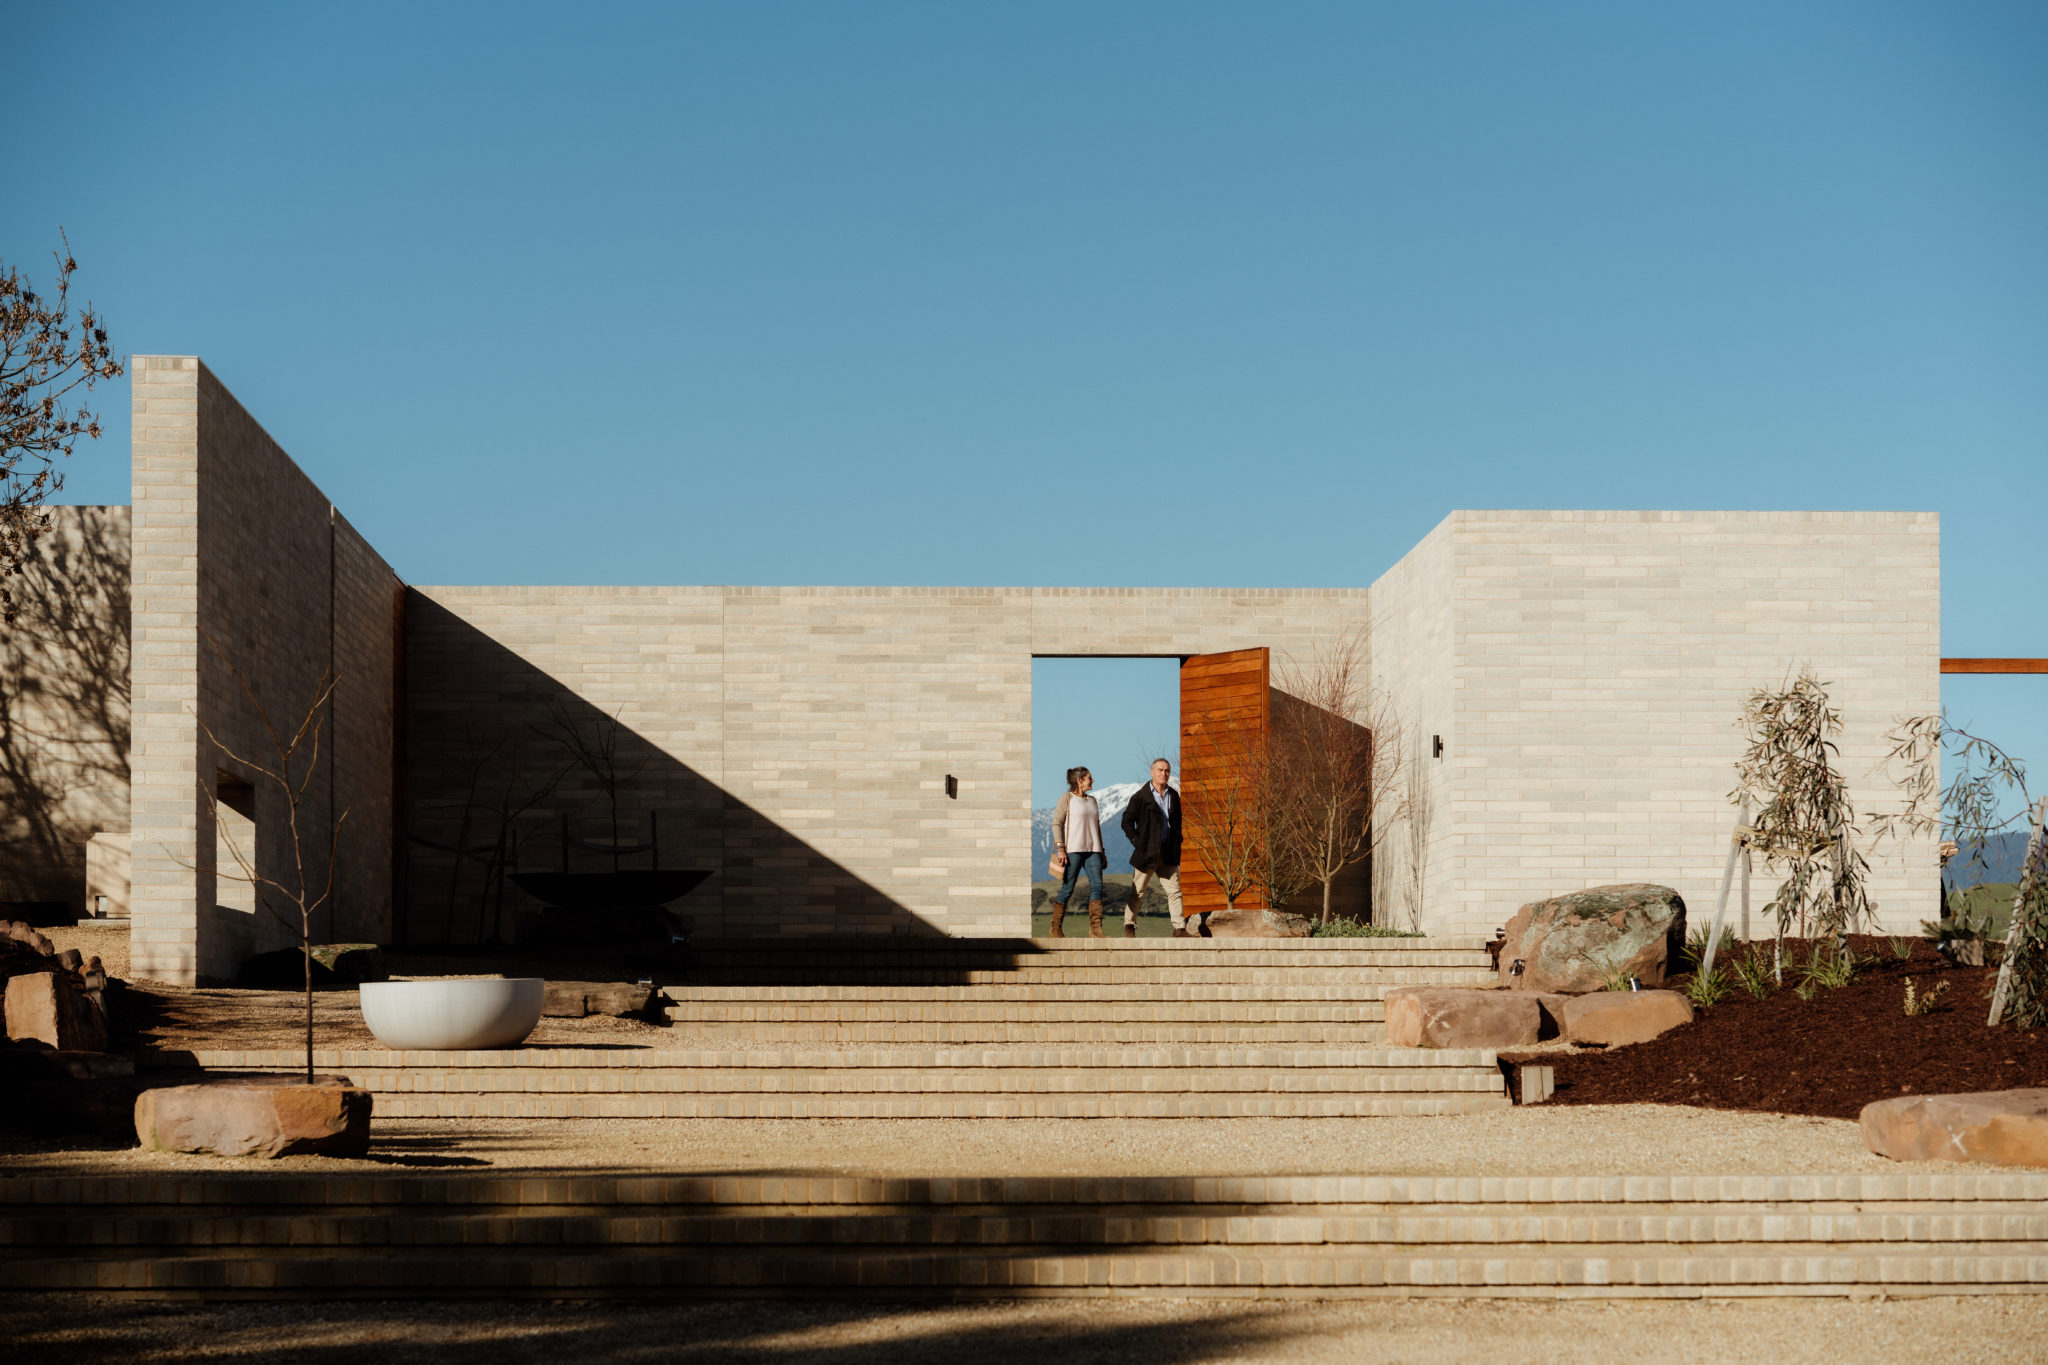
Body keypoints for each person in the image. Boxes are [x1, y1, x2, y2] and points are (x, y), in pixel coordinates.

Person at [1122, 756, 1199, 937]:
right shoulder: (1140, 797)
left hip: (1168, 852)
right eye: (1160, 770)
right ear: (1152, 772)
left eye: (1166, 771)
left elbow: (1178, 822)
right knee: (1137, 891)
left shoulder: (1173, 795)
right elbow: (1126, 822)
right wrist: (1137, 842)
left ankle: (1179, 928)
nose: (1164, 774)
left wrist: (1178, 839)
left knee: (1174, 891)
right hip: (1146, 852)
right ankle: (1129, 926)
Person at [1048, 766, 1109, 938]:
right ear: (1079, 781)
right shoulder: (1066, 798)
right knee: (1068, 888)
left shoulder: (1093, 801)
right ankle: (1055, 928)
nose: (1093, 780)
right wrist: (1060, 848)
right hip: (1072, 851)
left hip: (1094, 851)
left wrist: (1102, 851)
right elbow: (1056, 824)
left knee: (1097, 886)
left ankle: (1096, 929)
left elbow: (1097, 828)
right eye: (1090, 778)